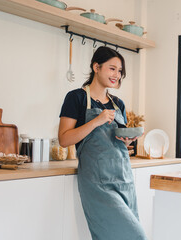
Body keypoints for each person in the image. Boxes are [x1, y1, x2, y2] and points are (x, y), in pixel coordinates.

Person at [58, 46, 147, 240]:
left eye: (120, 70)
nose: (117, 75)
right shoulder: (76, 98)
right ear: (96, 67)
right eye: (112, 68)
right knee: (135, 236)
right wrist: (96, 121)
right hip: (97, 183)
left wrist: (127, 140)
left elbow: (118, 144)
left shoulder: (118, 103)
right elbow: (64, 139)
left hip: (123, 179)